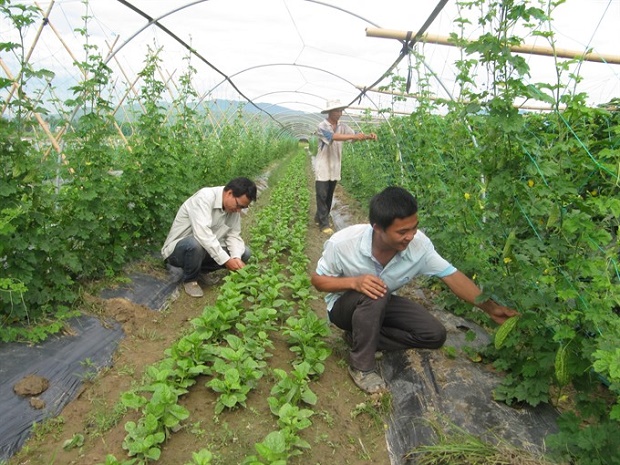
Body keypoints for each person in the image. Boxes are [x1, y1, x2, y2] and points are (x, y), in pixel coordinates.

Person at [311, 186, 519, 394]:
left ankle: (359, 336)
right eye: (402, 232)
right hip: (343, 307)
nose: (410, 236)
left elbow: (452, 276)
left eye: (414, 228)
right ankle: (361, 367)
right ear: (378, 228)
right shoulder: (344, 244)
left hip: (379, 304)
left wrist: (491, 309)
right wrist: (354, 283)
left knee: (433, 334)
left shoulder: (419, 246)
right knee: (377, 291)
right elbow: (318, 280)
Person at [161, 177, 257, 298]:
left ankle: (201, 271)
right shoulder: (204, 197)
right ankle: (190, 280)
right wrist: (226, 261)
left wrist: (236, 257)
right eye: (238, 205)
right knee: (195, 244)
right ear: (229, 193)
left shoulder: (233, 210)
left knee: (245, 252)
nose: (238, 211)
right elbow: (202, 234)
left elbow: (233, 235)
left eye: (242, 208)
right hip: (179, 251)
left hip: (204, 250)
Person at [314, 99, 377, 235]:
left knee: (329, 195)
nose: (340, 113)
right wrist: (353, 135)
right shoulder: (322, 126)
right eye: (337, 110)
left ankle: (319, 217)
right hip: (323, 165)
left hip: (335, 165)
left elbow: (354, 137)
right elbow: (334, 137)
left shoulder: (343, 126)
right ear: (330, 112)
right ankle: (324, 224)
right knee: (321, 194)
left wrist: (367, 136)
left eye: (341, 110)